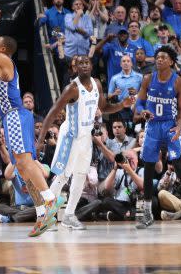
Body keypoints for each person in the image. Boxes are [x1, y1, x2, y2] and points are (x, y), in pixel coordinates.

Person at [0, 0, 59, 237]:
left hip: (16, 115)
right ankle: (44, 213)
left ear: (2, 49)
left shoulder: (5, 63)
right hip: (8, 119)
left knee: (25, 161)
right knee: (21, 169)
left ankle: (51, 202)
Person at [38, 55, 133, 230]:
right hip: (71, 136)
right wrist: (40, 141)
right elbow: (52, 113)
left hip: (86, 137)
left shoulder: (96, 84)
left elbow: (103, 108)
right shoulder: (72, 88)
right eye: (79, 63)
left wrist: (122, 105)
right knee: (63, 176)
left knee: (81, 175)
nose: (83, 65)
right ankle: (46, 216)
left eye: (86, 62)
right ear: (75, 69)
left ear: (91, 65)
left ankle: (69, 216)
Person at [134, 46, 181, 229]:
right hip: (152, 127)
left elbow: (180, 112)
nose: (159, 60)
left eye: (163, 57)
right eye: (157, 57)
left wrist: (179, 128)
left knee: (179, 165)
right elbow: (139, 102)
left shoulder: (179, 82)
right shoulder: (148, 79)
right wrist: (142, 111)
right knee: (147, 166)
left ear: (171, 61)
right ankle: (147, 214)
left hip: (170, 125)